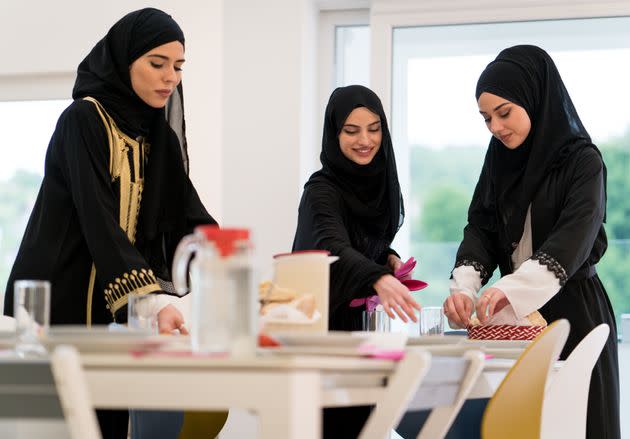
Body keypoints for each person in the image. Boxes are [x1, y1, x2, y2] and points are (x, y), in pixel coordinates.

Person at [3, 8, 217, 438]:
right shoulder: (83, 119)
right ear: (124, 60)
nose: (170, 77)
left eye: (177, 67)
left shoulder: (154, 134)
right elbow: (98, 216)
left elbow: (188, 214)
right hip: (55, 306)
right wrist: (154, 300)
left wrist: (234, 267)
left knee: (108, 425)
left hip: (109, 314)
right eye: (157, 64)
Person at [443, 45, 620, 439]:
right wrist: (465, 290)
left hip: (576, 315)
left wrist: (507, 289)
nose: (495, 127)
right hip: (516, 325)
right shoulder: (499, 158)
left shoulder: (583, 162)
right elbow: (481, 228)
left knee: (579, 425)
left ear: (535, 99)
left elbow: (571, 240)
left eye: (504, 113)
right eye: (486, 118)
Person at [292, 84, 420, 438]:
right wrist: (378, 278)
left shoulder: (378, 186)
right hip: (320, 342)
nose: (365, 140)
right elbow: (332, 246)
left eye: (374, 128)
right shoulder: (321, 190)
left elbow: (365, 242)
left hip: (359, 339)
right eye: (351, 131)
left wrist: (388, 259)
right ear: (334, 134)